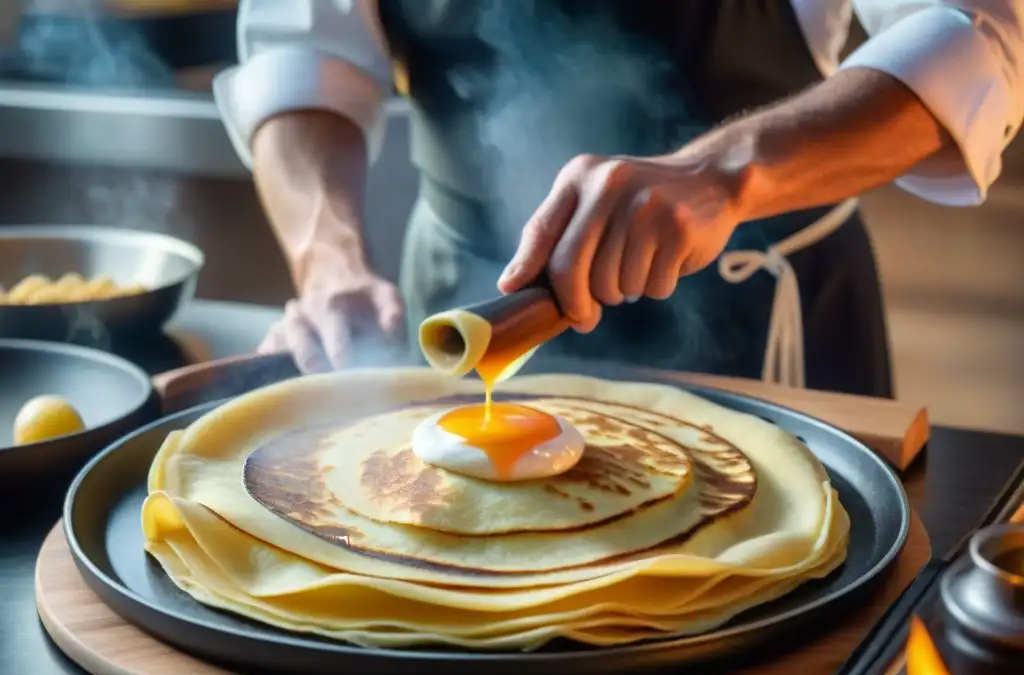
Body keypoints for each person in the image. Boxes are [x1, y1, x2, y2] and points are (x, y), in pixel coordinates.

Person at [214, 0, 1023, 397]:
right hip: (466, 308)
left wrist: (724, 172)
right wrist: (329, 266)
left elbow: (976, 36)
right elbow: (304, 50)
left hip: (765, 319)